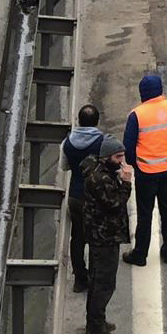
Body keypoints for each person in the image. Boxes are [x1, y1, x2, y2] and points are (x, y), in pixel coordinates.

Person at [122, 71, 167, 266]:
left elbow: (129, 148)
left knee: (145, 214)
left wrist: (137, 164)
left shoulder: (137, 115)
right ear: (160, 90)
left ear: (143, 93)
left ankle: (140, 255)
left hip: (146, 173)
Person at [79, 135, 132, 334]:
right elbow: (115, 203)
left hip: (98, 235)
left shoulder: (98, 171)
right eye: (118, 157)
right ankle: (96, 331)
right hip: (104, 237)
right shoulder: (101, 179)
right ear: (106, 157)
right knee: (104, 284)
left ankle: (94, 322)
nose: (122, 161)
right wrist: (126, 183)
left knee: (97, 282)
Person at [62, 104, 104, 293]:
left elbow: (64, 167)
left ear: (79, 121)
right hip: (95, 198)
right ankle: (95, 278)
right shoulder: (103, 142)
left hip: (75, 196)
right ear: (97, 122)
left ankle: (80, 279)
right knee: (96, 238)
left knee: (77, 238)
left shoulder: (68, 142)